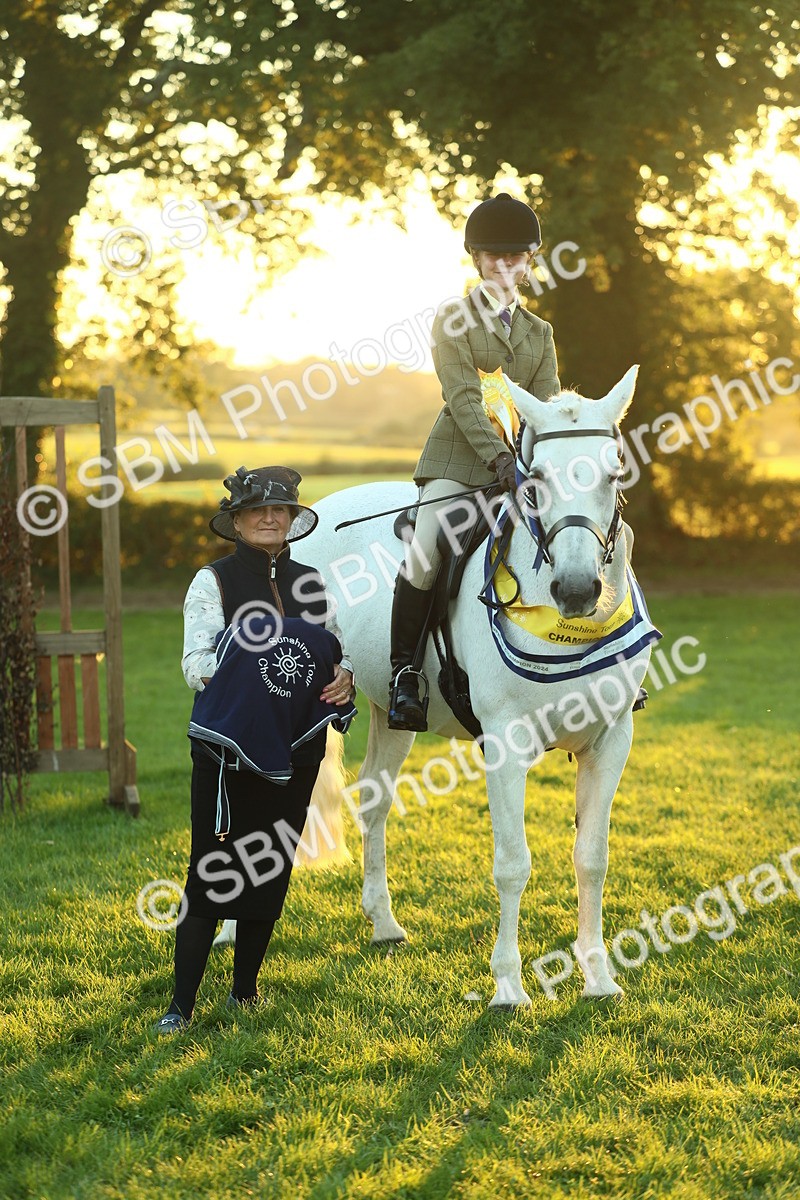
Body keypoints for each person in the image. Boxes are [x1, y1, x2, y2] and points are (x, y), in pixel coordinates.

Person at [154, 465, 355, 1035]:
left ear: (292, 520)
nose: (271, 518)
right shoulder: (211, 581)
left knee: (269, 864)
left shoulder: (312, 582)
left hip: (298, 747)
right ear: (237, 521)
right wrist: (251, 650)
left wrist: (344, 678)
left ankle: (245, 993)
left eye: (281, 510)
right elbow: (196, 668)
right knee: (212, 870)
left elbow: (332, 657)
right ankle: (181, 1007)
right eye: (258, 510)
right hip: (225, 750)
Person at [388, 193, 561, 730]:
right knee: (426, 549)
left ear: (530, 260)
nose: (503, 265)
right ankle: (404, 676)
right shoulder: (454, 319)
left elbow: (548, 406)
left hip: (522, 468)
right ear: (477, 259)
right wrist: (498, 461)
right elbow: (463, 398)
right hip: (459, 465)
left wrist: (540, 465)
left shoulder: (540, 333)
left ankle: (610, 660)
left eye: (514, 256)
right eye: (493, 256)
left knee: (585, 530)